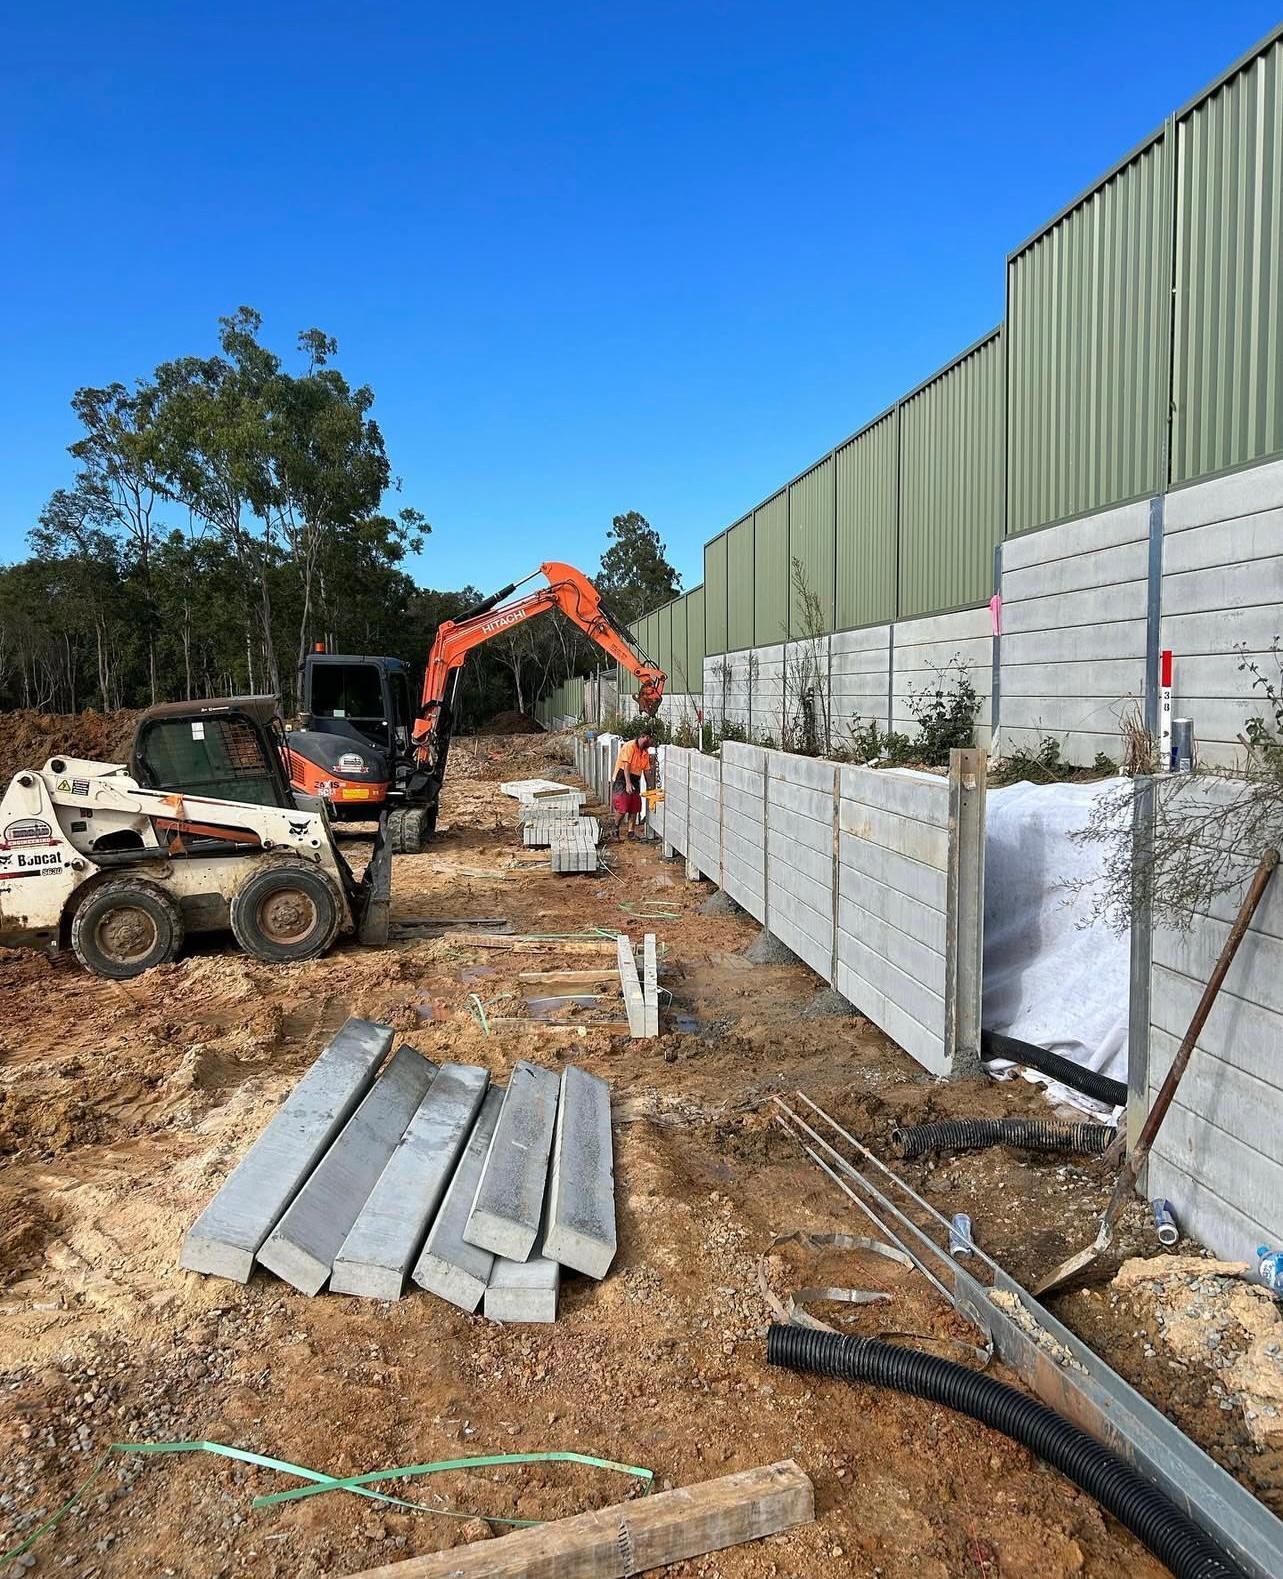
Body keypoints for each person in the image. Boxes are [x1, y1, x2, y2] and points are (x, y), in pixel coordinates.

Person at [612, 733, 653, 839]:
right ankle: (615, 828)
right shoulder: (630, 746)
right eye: (650, 740)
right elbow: (626, 766)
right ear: (644, 737)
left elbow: (646, 771)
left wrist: (650, 787)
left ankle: (631, 832)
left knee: (634, 806)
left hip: (635, 778)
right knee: (622, 806)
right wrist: (628, 783)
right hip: (623, 777)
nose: (650, 743)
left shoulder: (645, 752)